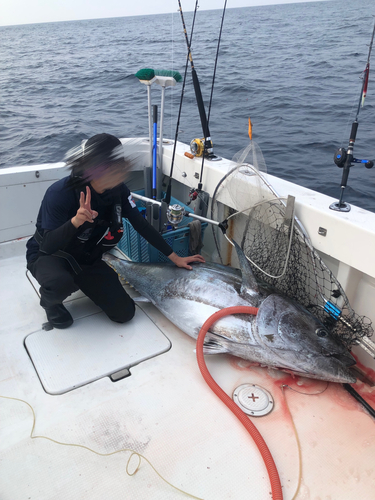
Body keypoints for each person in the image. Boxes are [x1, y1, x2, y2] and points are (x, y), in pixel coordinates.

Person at [26, 133, 205, 329]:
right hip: (51, 256)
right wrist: (76, 221)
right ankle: (50, 302)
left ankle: (79, 281)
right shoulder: (60, 193)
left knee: (124, 313)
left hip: (86, 257)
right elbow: (48, 245)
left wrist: (174, 257)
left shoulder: (118, 190)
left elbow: (140, 224)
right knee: (60, 282)